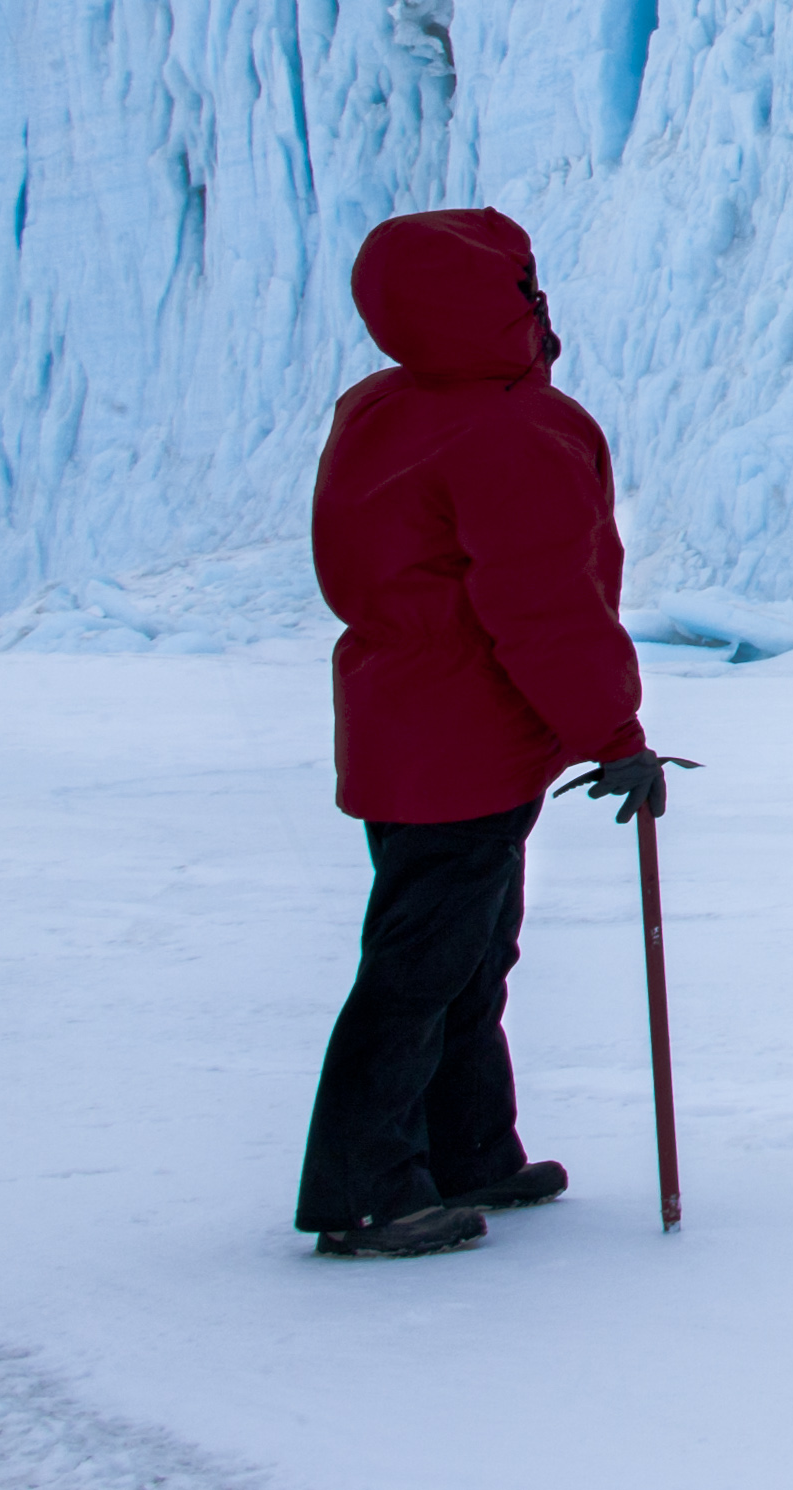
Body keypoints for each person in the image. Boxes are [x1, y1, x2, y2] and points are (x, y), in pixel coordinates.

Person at [293, 207, 677, 1260]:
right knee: (422, 965)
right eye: (520, 284)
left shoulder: (379, 407)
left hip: (396, 720)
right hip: (463, 734)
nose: (536, 301)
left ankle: (465, 1150)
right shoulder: (512, 431)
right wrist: (613, 734)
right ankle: (367, 1187)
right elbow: (545, 608)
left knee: (461, 954)